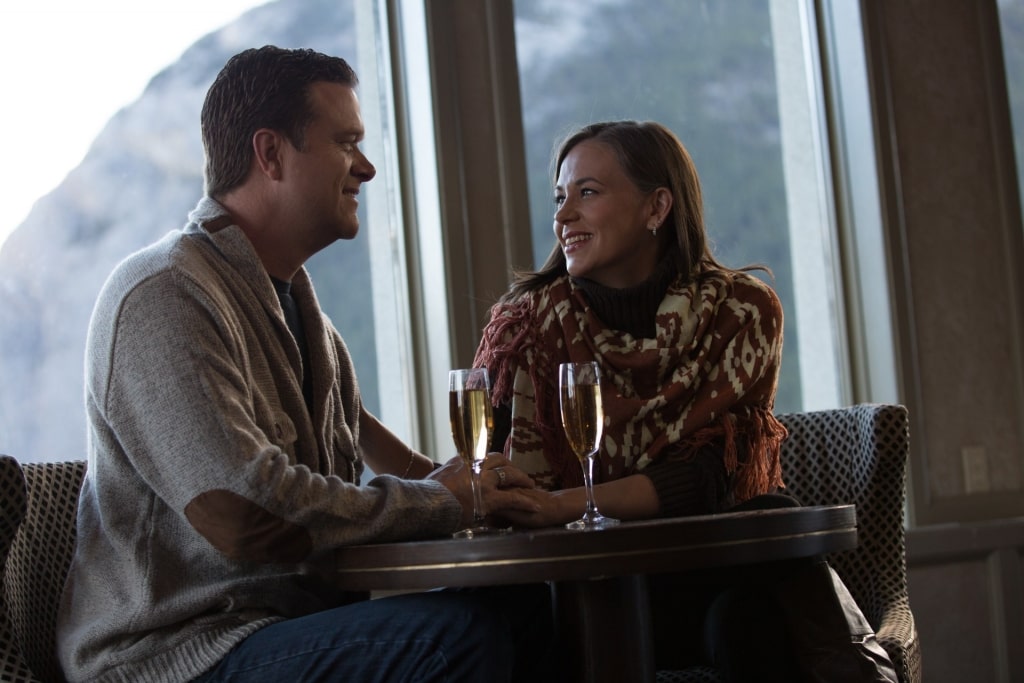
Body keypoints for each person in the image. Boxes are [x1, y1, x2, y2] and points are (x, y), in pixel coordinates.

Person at [56, 45, 550, 683]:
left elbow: (371, 469)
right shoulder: (163, 295)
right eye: (346, 143)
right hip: (174, 656)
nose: (367, 168)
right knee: (451, 641)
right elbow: (240, 512)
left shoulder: (307, 323)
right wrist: (443, 502)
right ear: (270, 154)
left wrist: (488, 495)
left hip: (281, 631)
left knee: (526, 604)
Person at [473, 120, 898, 682]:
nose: (562, 216)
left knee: (746, 611)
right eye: (560, 197)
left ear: (657, 207)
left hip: (690, 577)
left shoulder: (741, 313)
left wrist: (562, 504)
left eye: (588, 192)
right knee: (756, 591)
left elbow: (707, 479)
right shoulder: (526, 324)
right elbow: (486, 471)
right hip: (571, 589)